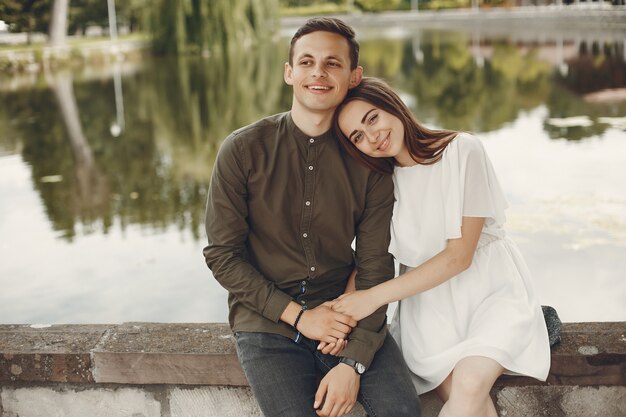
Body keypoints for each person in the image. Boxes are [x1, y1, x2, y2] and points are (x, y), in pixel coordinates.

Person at [203, 19, 421, 417]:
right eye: (306, 62)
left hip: (346, 316)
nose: (318, 73)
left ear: (354, 77)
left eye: (332, 64)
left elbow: (375, 266)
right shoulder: (241, 150)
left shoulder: (370, 161)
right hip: (267, 324)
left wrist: (353, 360)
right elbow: (223, 256)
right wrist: (301, 318)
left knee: (402, 412)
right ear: (290, 72)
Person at [329, 77, 551, 417]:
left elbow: (459, 257)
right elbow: (368, 260)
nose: (372, 136)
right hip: (428, 313)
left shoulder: (462, 150)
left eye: (372, 118)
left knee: (469, 385)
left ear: (392, 105)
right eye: (357, 136)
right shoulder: (380, 186)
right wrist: (342, 317)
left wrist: (372, 298)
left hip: (491, 293)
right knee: (473, 403)